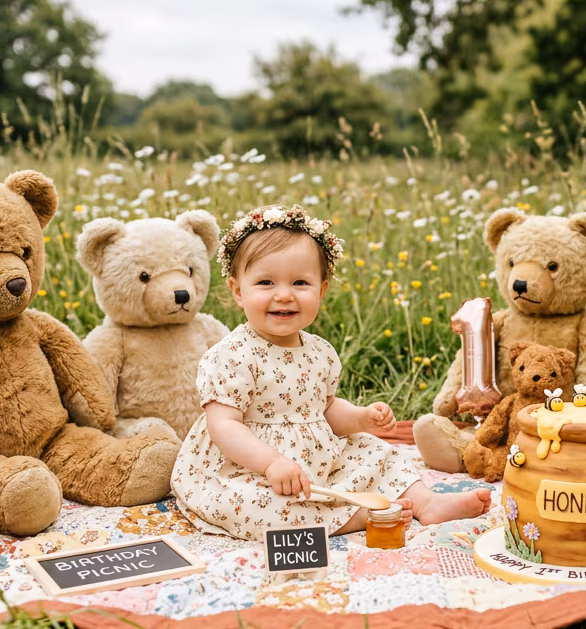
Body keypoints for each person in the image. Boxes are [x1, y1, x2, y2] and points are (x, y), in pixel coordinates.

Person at [170, 205, 492, 540]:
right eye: (265, 282)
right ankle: (356, 516)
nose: (283, 294)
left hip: (319, 462)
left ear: (321, 291)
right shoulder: (233, 355)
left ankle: (425, 502)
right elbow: (223, 426)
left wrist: (361, 418)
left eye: (300, 282)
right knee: (254, 504)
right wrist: (270, 463)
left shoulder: (318, 351)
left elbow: (323, 409)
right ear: (238, 291)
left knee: (373, 449)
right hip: (248, 469)